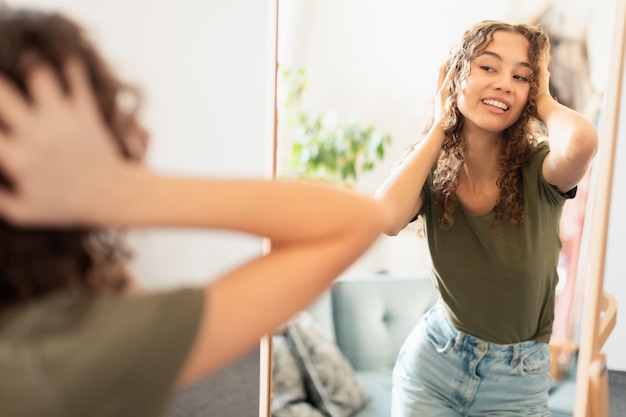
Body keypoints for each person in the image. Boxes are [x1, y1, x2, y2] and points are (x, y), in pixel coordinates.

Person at [0, 7, 386, 417]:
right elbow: (356, 221)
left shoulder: (60, 307)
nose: (140, 135)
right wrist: (121, 191)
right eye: (105, 117)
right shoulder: (54, 358)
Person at [375, 20, 598, 416]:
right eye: (488, 67)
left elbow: (581, 141)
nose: (503, 83)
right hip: (433, 365)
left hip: (516, 381)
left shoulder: (540, 170)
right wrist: (440, 123)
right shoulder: (432, 168)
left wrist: (542, 97)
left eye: (520, 76)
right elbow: (386, 218)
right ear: (457, 75)